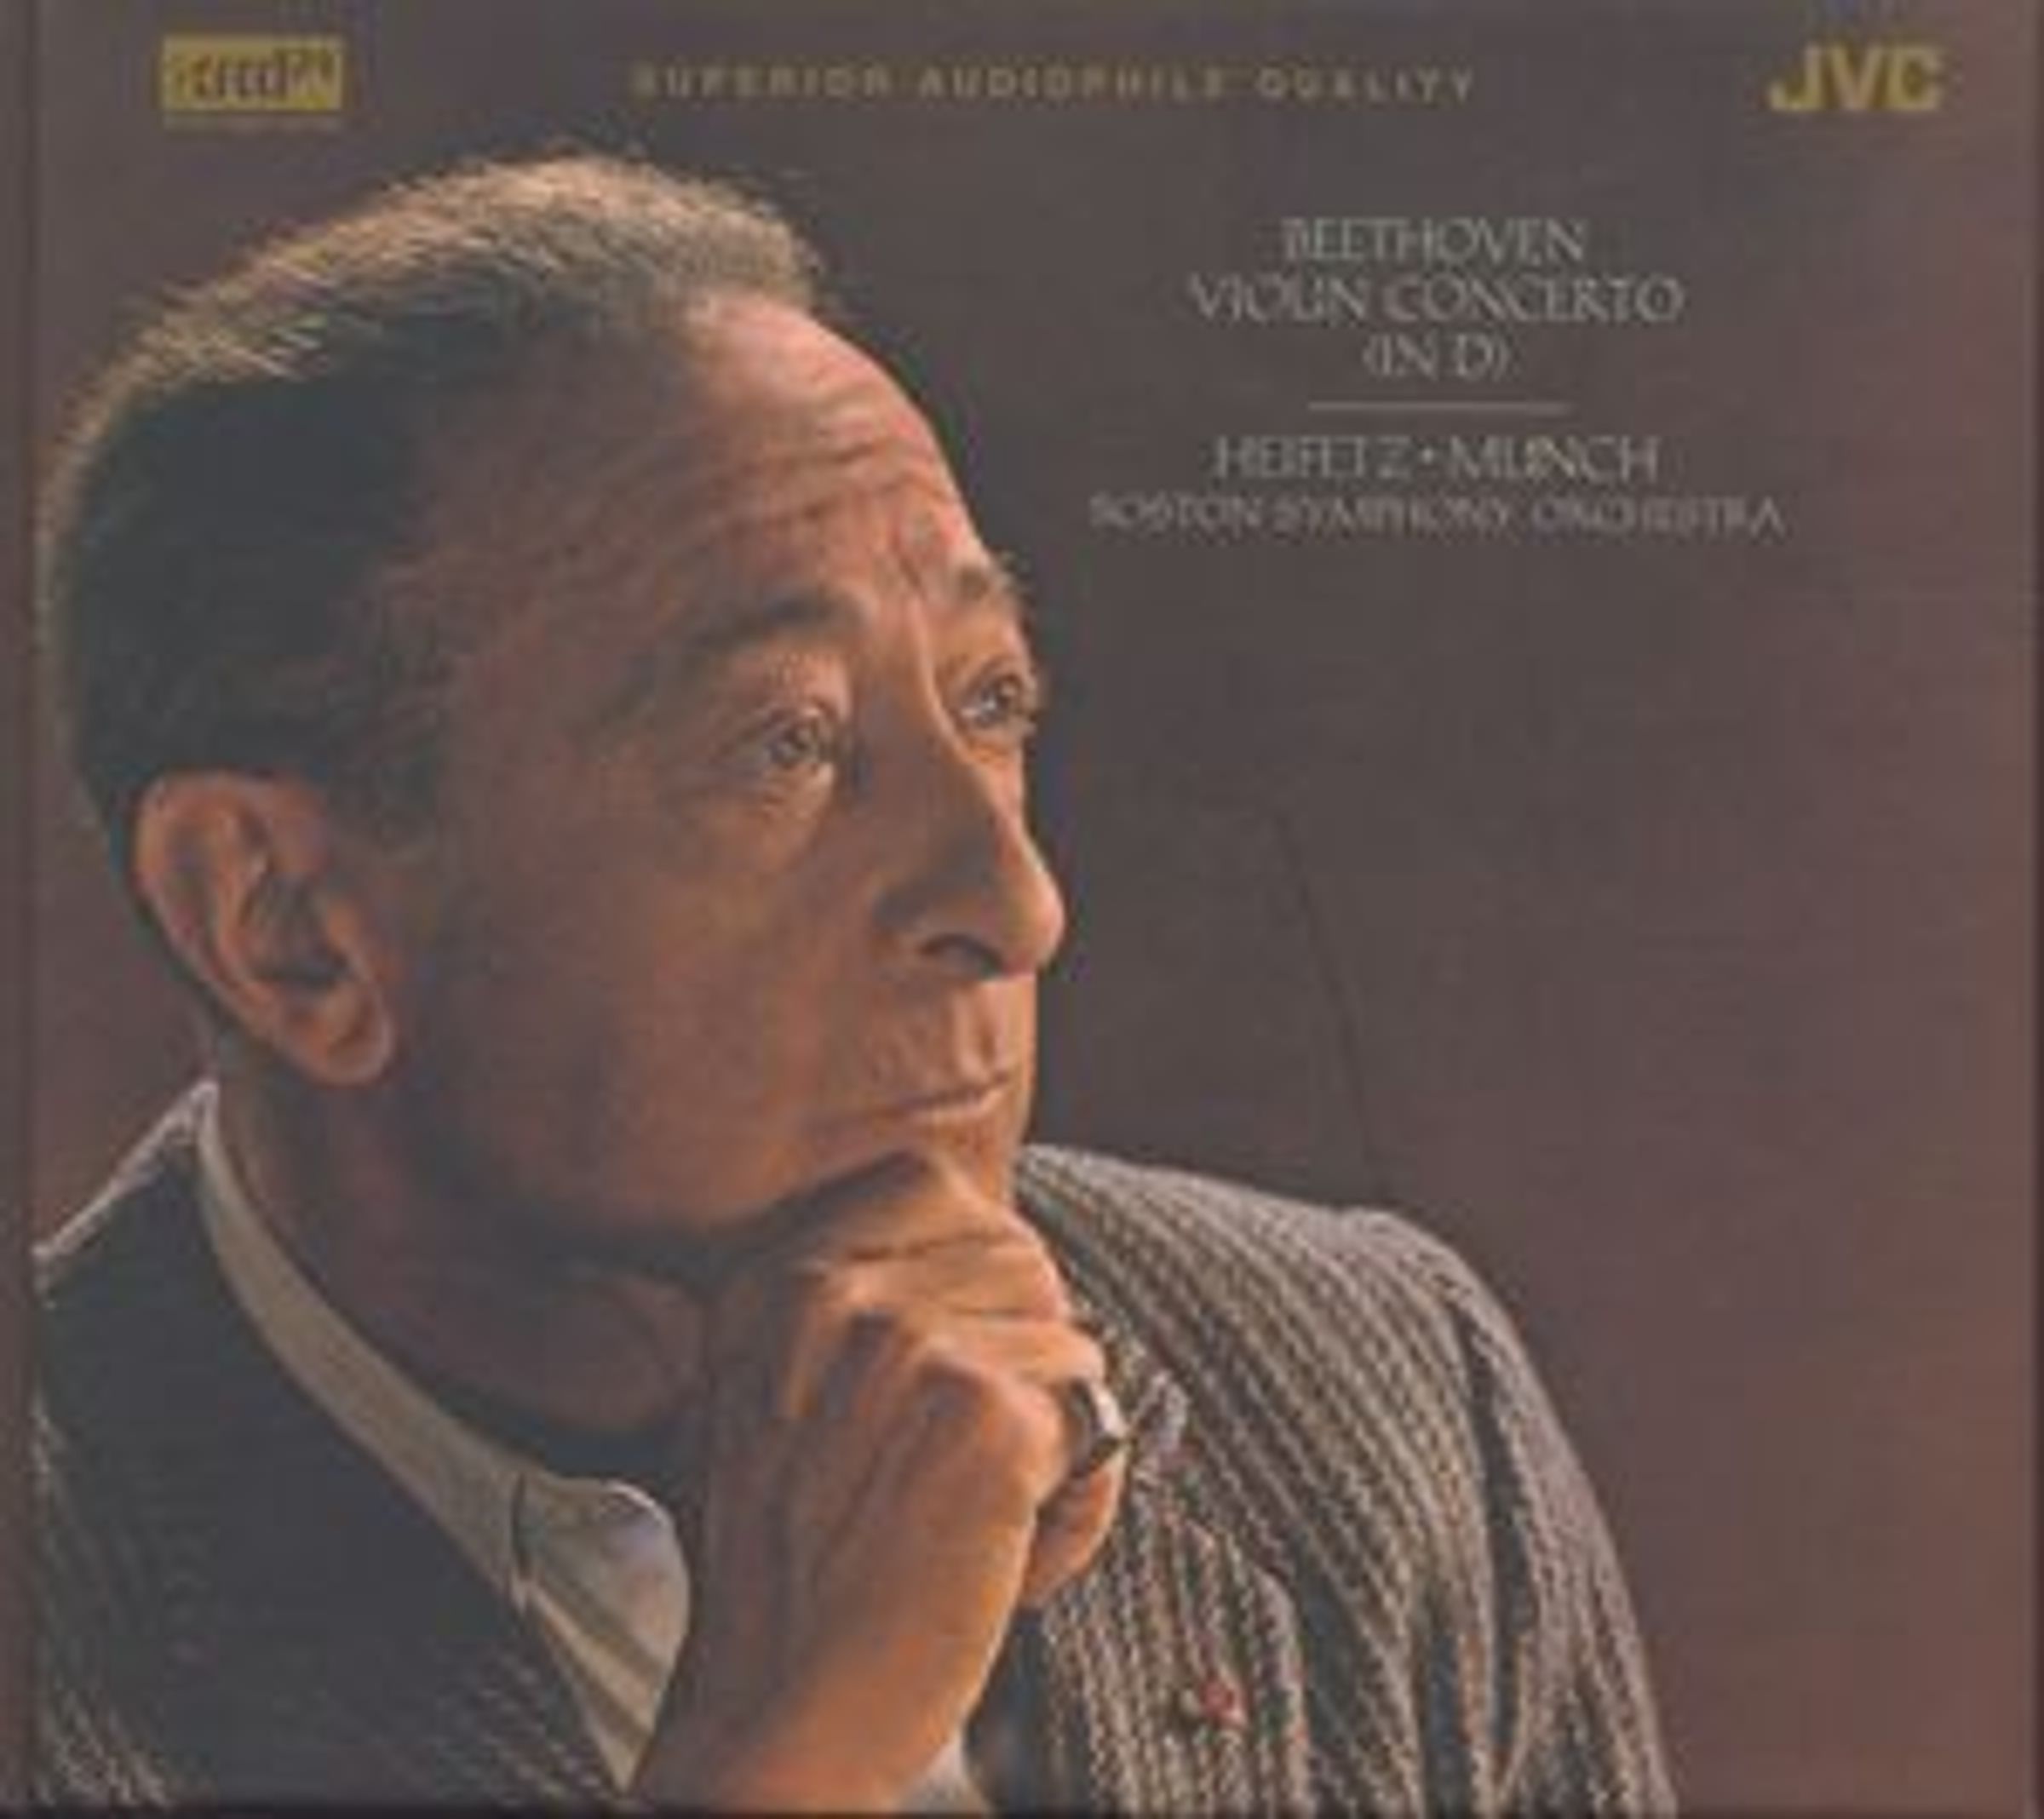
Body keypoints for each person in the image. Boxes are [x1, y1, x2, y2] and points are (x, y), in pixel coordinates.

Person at [32, 154, 1673, 1812]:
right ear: (288, 924)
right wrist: (786, 1752)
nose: (1017, 906)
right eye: (786, 743)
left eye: (988, 701)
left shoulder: (1377, 1383)